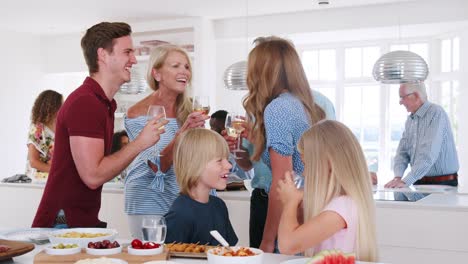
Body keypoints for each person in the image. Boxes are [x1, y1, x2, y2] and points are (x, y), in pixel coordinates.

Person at [32, 22, 166, 228]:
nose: (134, 59)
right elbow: (93, 176)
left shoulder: (103, 103)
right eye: (127, 52)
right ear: (103, 55)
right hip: (64, 222)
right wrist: (140, 143)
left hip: (76, 220)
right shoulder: (86, 103)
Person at [242, 36, 329, 253]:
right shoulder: (307, 106)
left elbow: (283, 182)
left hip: (292, 217)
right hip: (312, 212)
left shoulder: (278, 108)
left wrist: (268, 241)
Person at [124, 44, 208, 239]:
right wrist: (182, 133)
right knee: (154, 258)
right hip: (149, 199)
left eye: (187, 67)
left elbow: (197, 157)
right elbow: (157, 166)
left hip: (186, 198)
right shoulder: (138, 113)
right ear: (157, 74)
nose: (184, 72)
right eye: (176, 66)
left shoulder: (190, 109)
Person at [277, 120, 378, 262]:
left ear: (329, 162)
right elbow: (300, 231)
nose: (304, 173)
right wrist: (297, 202)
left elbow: (288, 246)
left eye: (307, 165)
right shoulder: (342, 203)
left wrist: (290, 203)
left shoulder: (341, 208)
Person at [165, 128, 238, 245]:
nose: (229, 165)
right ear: (194, 165)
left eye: (227, 159)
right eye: (220, 160)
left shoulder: (219, 206)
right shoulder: (180, 214)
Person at [384, 82, 459, 188]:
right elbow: (402, 152)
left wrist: (406, 181)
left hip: (442, 184)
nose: (400, 102)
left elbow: (428, 153)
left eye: (402, 97)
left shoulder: (436, 113)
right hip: (419, 182)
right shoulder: (411, 120)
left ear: (416, 96)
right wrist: (398, 177)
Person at [26, 90, 63, 181]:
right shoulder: (37, 129)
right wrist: (58, 171)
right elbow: (33, 162)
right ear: (52, 107)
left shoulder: (61, 127)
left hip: (56, 177)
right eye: (61, 104)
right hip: (39, 180)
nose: (64, 107)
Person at [210, 109, 252, 180]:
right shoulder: (215, 147)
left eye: (216, 128)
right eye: (211, 127)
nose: (212, 131)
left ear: (227, 126)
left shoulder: (237, 144)